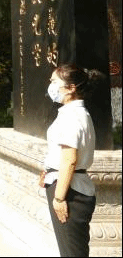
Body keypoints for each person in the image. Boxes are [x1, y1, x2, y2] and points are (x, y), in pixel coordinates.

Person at [40, 64, 104, 257]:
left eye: (54, 81)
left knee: (73, 252)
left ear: (71, 87)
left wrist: (59, 198)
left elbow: (69, 160)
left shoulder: (72, 116)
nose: (50, 85)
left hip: (70, 191)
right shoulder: (72, 113)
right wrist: (48, 171)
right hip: (68, 185)